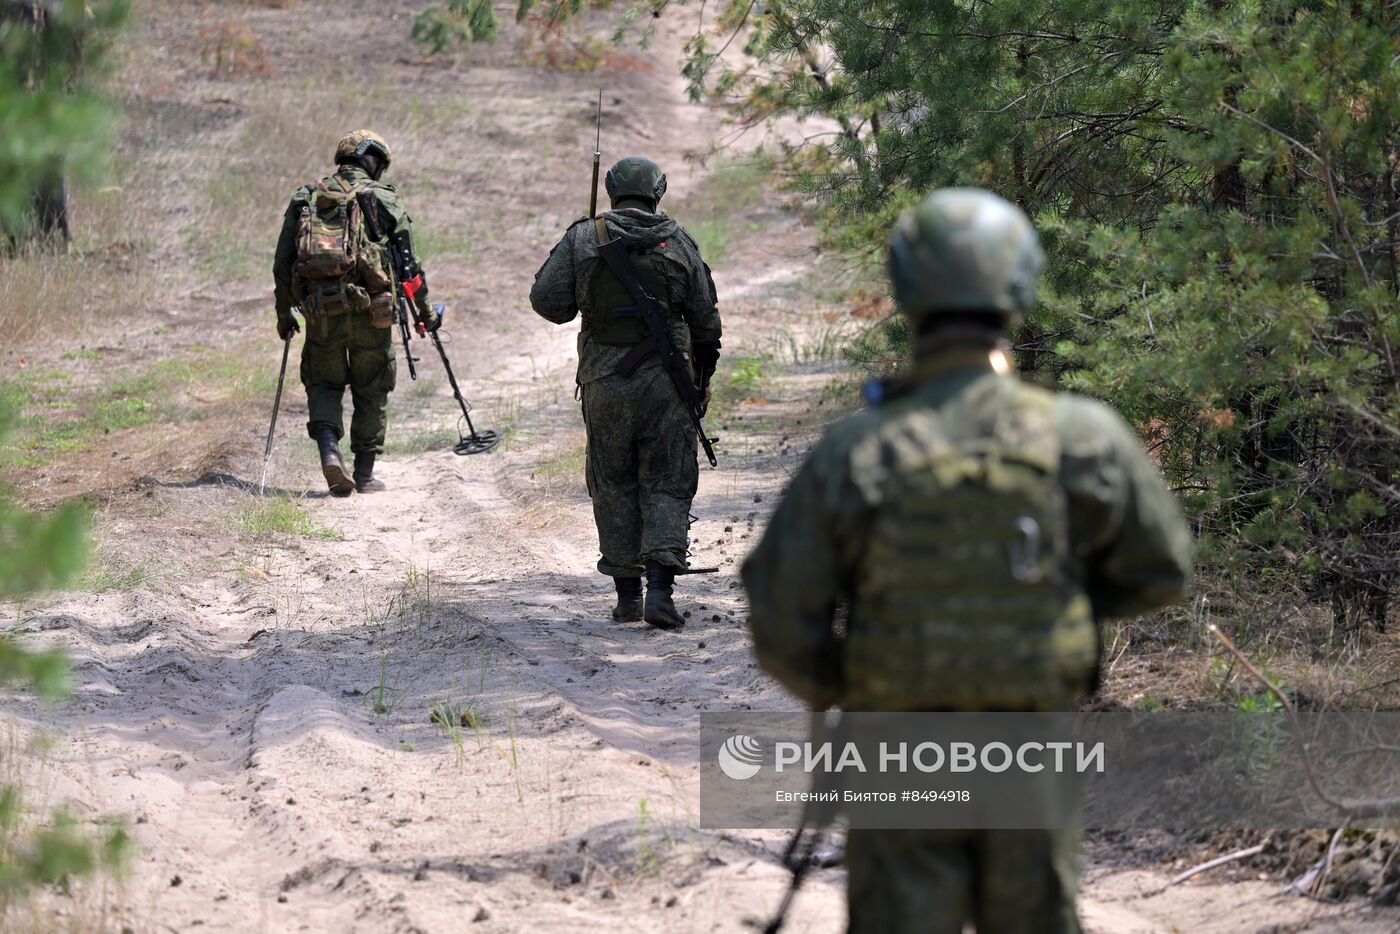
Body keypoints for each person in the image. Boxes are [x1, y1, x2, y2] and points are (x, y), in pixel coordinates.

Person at [741, 188, 1192, 932]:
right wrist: (1055, 614)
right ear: (1018, 288)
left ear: (907, 290)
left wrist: (851, 685)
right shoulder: (1081, 436)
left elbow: (780, 612)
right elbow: (1161, 569)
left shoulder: (858, 450)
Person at [530, 156, 722, 629]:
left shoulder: (584, 238)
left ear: (613, 190)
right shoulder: (678, 242)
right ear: (658, 191)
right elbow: (706, 321)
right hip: (668, 382)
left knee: (612, 481)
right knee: (668, 479)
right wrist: (701, 379)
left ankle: (626, 595)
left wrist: (584, 271)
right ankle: (661, 591)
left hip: (605, 381)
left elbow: (548, 303)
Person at [272, 129, 436, 496]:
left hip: (320, 312)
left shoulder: (308, 198)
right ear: (373, 161)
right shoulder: (383, 198)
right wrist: (425, 313)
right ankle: (363, 474)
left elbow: (283, 263)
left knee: (323, 382)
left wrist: (285, 315)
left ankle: (330, 452)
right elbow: (409, 266)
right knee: (372, 385)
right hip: (373, 312)